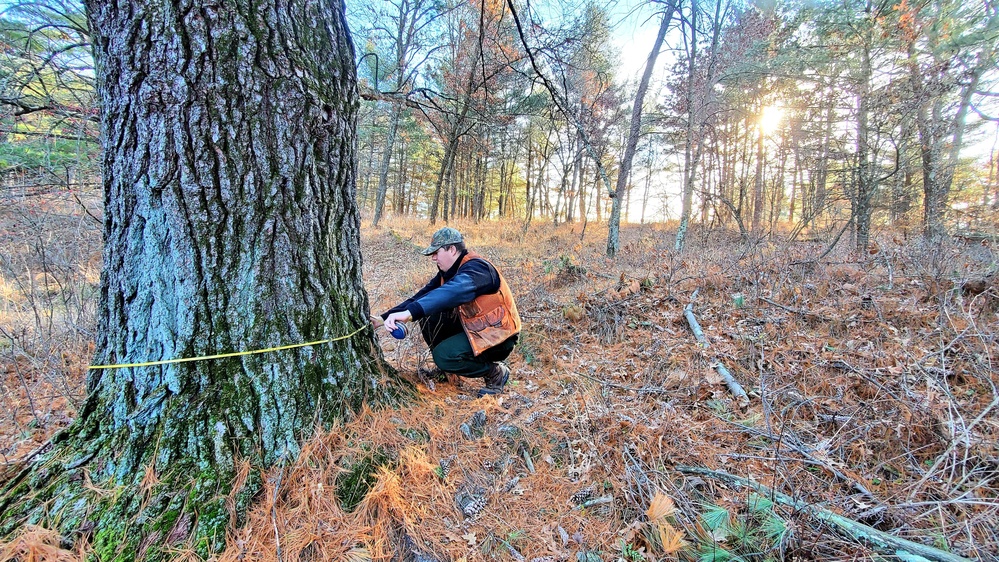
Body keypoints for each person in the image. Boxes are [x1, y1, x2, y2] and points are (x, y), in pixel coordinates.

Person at [373, 227, 521, 397]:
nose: (433, 258)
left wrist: (410, 314)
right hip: (476, 329)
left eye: (436, 252)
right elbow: (421, 297)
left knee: (443, 355)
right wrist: (383, 319)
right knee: (427, 312)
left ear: (451, 249)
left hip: (499, 337)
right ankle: (448, 370)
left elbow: (452, 291)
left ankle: (495, 372)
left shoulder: (478, 269)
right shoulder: (447, 273)